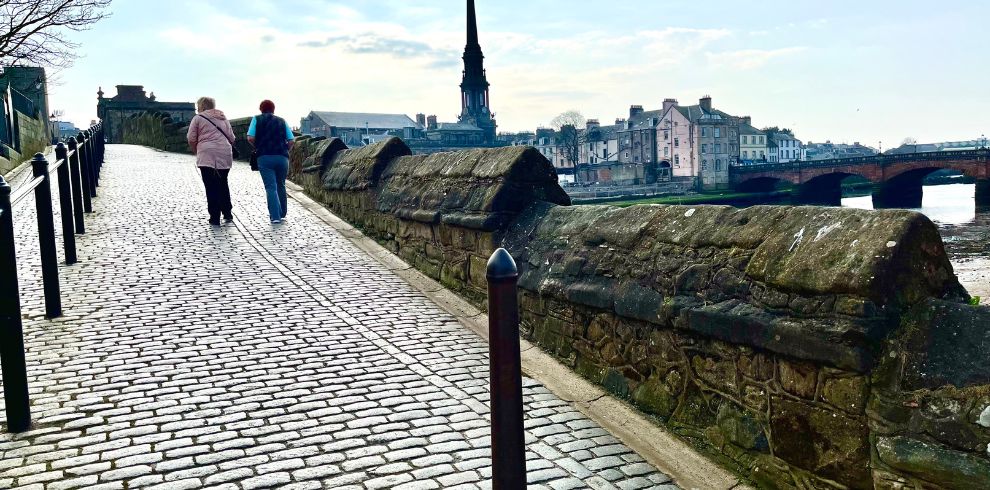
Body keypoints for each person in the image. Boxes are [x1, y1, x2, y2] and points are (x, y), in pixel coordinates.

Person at [187, 96, 236, 225]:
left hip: (207, 155)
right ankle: (227, 213)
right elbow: (232, 137)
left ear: (201, 106)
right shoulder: (223, 118)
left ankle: (214, 217)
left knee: (211, 186)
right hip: (224, 154)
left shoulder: (198, 118)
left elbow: (191, 138)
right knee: (223, 183)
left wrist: (197, 150)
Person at [247, 99, 294, 224]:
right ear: (273, 109)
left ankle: (275, 216)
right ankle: (282, 212)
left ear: (261, 109)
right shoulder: (282, 121)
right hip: (282, 157)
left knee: (270, 187)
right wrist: (285, 149)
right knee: (281, 184)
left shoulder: (257, 119)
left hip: (265, 157)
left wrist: (258, 145)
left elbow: (250, 137)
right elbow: (291, 140)